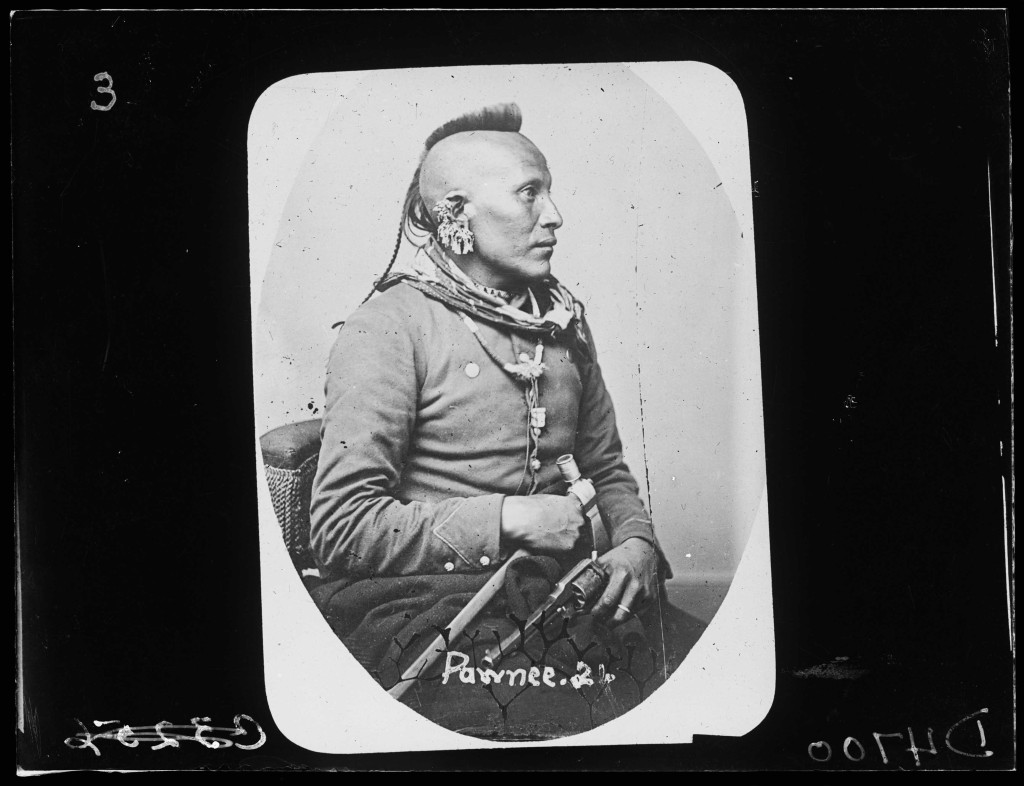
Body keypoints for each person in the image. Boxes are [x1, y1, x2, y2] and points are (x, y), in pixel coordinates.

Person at [310, 102, 670, 645]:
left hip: (570, 590)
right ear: (457, 213)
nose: (554, 215)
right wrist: (505, 520)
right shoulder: (388, 327)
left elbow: (605, 468)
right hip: (435, 605)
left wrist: (637, 543)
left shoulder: (561, 318)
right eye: (530, 193)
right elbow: (342, 530)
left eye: (548, 191)